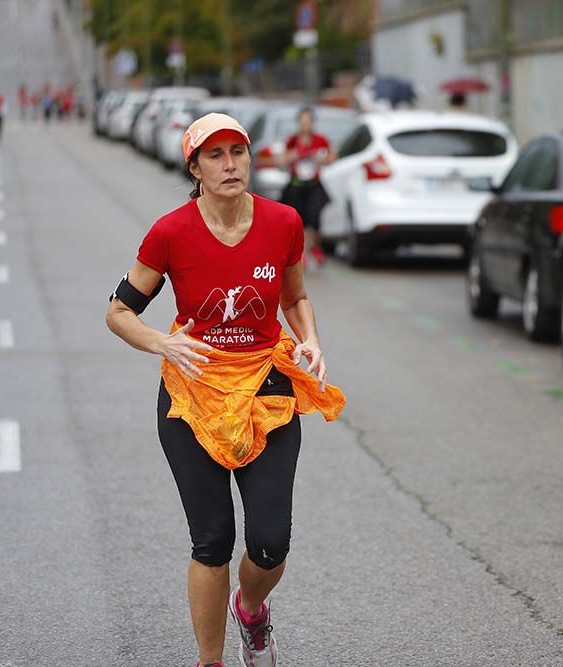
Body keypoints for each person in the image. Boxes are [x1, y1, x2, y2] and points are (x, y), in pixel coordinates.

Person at [106, 112, 346, 667]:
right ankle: (209, 661)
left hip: (267, 388)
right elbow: (119, 313)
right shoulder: (170, 233)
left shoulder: (283, 221)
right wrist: (162, 344)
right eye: (215, 155)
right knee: (211, 540)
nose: (230, 163)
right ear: (194, 166)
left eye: (237, 150)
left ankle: (252, 608)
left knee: (270, 541)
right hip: (193, 397)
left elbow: (294, 298)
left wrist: (310, 338)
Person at [280, 107, 333, 268]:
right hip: (296, 184)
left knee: (314, 217)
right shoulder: (292, 140)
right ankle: (302, 253)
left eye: (308, 122)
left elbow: (331, 157)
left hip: (314, 184)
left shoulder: (320, 140)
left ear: (312, 123)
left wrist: (321, 159)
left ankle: (313, 248)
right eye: (302, 122)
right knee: (298, 220)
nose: (305, 125)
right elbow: (282, 159)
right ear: (298, 123)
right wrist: (294, 156)